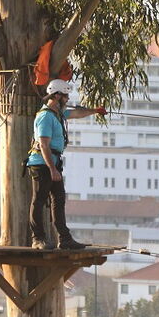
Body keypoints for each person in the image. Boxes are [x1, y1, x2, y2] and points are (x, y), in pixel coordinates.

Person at [26, 79, 105, 250]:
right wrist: (52, 169)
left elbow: (76, 114)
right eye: (66, 96)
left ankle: (65, 238)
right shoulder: (45, 116)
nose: (68, 99)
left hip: (53, 163)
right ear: (57, 95)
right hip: (42, 164)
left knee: (59, 199)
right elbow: (44, 144)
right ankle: (37, 239)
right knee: (38, 200)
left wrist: (95, 111)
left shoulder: (58, 113)